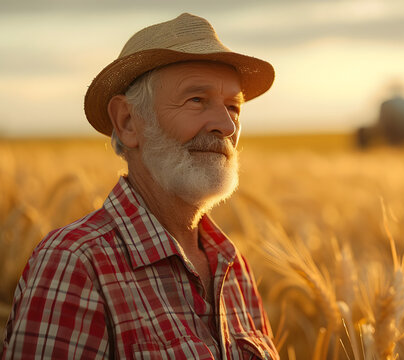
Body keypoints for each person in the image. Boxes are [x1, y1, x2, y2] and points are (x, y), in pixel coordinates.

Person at [2, 13, 278, 359]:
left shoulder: (232, 266)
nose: (225, 125)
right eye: (196, 100)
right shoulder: (76, 263)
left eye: (233, 107)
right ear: (129, 122)